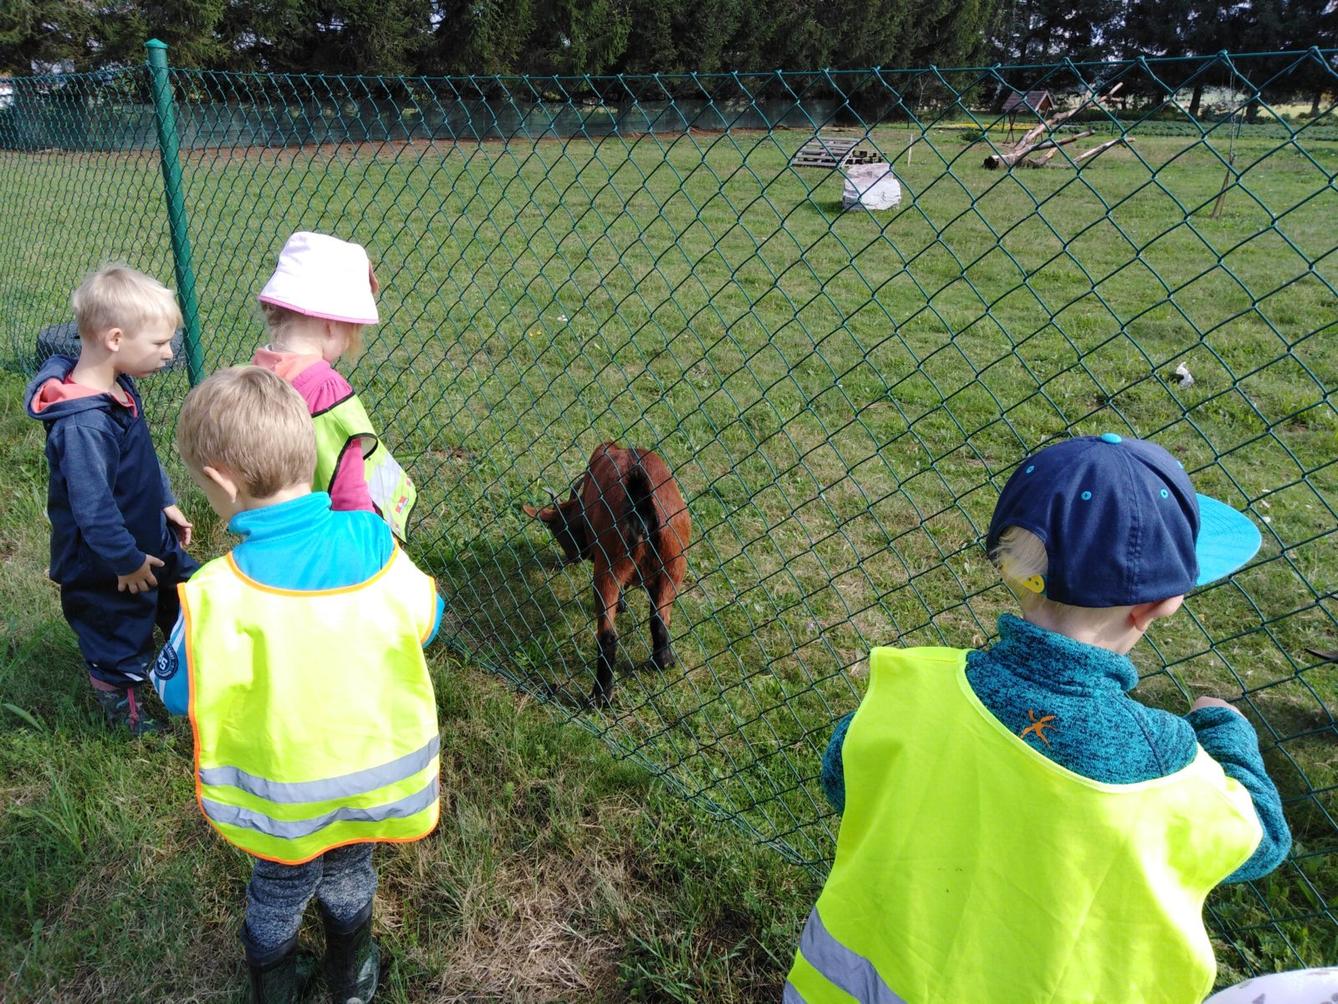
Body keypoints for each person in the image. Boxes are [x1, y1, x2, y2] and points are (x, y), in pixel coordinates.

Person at [787, 433, 1292, 1004]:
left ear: (1011, 564)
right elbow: (1262, 838)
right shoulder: (1162, 759)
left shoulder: (914, 686)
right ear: (1164, 602)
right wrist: (1225, 729)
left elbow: (841, 778)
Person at [151, 366, 443, 1003]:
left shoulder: (216, 592)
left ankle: (275, 991)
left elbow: (172, 692)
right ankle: (353, 980)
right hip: (371, 779)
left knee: (279, 888)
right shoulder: (375, 542)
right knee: (351, 869)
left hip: (283, 796)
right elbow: (429, 617)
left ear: (220, 481)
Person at [25, 264, 197, 735]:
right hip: (105, 564)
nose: (169, 353)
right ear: (115, 338)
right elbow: (93, 510)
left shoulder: (118, 384)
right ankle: (124, 708)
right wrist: (126, 562)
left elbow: (139, 457)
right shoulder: (83, 425)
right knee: (117, 632)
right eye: (160, 343)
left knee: (188, 595)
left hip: (148, 535)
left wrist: (164, 500)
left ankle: (185, 665)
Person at [252, 230, 416, 540]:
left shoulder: (257, 372)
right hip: (328, 536)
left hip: (275, 529)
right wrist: (371, 540)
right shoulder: (327, 391)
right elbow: (348, 484)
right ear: (331, 325)